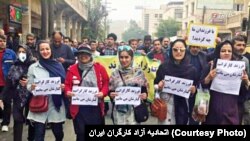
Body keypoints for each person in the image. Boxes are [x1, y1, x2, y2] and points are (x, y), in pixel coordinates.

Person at [64, 45, 109, 141]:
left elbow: (106, 83)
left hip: (95, 107)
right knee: (81, 134)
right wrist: (68, 92)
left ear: (90, 55)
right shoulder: (72, 69)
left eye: (86, 54)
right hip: (79, 109)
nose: (83, 56)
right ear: (77, 56)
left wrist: (102, 93)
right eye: (80, 54)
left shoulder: (99, 68)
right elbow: (67, 84)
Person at [201, 40, 249, 125]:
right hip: (212, 110)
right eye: (223, 51)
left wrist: (246, 82)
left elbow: (244, 94)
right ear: (218, 52)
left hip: (231, 111)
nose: (226, 53)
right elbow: (201, 86)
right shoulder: (211, 66)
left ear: (232, 53)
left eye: (229, 51)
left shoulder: (239, 68)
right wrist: (208, 78)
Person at [27, 40, 66, 141]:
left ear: (51, 50)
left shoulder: (59, 65)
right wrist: (32, 87)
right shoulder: (33, 67)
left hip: (55, 104)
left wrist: (63, 87)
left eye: (47, 49)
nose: (45, 51)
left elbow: (65, 83)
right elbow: (28, 85)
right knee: (38, 135)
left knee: (58, 133)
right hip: (39, 104)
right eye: (42, 49)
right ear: (38, 52)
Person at [154, 39, 198, 125]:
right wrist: (158, 86)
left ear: (186, 51)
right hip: (166, 108)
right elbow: (155, 84)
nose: (178, 52)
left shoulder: (192, 70)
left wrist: (193, 91)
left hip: (183, 108)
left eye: (181, 50)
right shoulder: (163, 67)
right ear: (171, 50)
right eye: (175, 49)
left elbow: (194, 91)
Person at [0, 44, 35, 141]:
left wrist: (29, 82)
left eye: (23, 52)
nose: (21, 54)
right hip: (17, 97)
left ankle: (31, 138)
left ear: (28, 53)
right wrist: (1, 98)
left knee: (32, 120)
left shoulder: (34, 66)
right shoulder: (14, 66)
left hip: (32, 96)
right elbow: (8, 84)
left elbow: (39, 80)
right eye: (19, 52)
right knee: (17, 120)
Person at [109, 45, 148, 125]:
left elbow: (144, 90)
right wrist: (111, 95)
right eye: (121, 57)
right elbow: (111, 90)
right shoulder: (114, 73)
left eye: (127, 57)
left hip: (134, 111)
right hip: (118, 112)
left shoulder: (138, 73)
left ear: (131, 57)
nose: (124, 60)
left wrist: (145, 95)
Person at [0, 35, 16, 132]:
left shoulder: (11, 53)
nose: (2, 42)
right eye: (0, 41)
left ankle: (5, 123)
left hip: (6, 83)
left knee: (7, 103)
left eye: (3, 41)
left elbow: (16, 65)